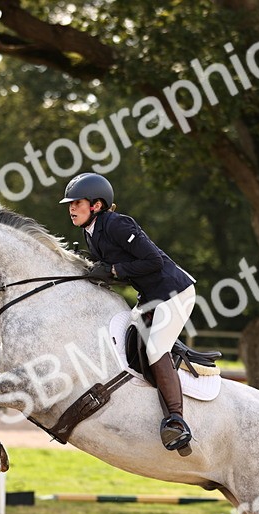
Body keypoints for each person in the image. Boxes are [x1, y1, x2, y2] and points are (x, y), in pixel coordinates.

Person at [61, 172, 198, 454]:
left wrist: (114, 270)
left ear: (96, 205)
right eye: (70, 204)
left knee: (155, 349)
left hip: (174, 293)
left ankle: (177, 420)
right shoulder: (91, 233)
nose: (71, 208)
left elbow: (153, 260)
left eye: (77, 203)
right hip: (149, 298)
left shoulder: (117, 224)